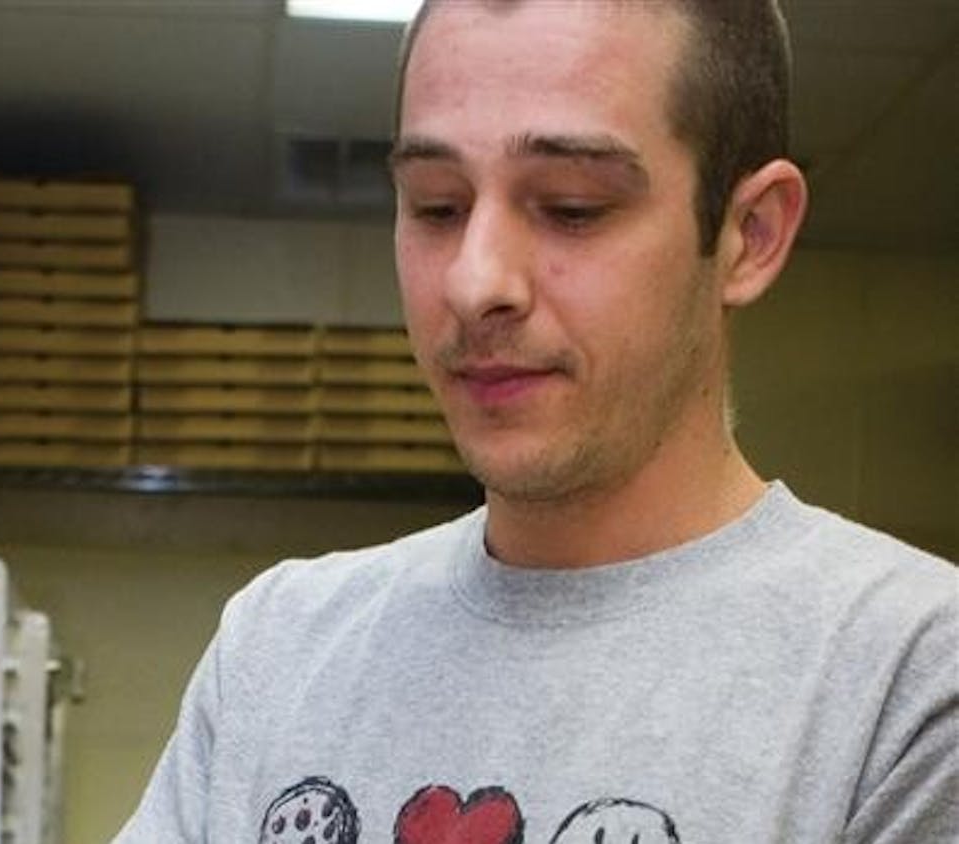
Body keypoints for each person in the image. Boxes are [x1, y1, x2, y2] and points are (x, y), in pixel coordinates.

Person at [113, 1, 958, 841]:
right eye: (437, 206)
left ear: (749, 233)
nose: (476, 284)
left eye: (572, 207)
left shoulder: (909, 679)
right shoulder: (279, 645)